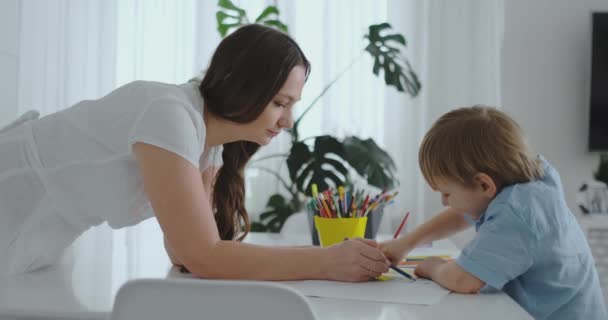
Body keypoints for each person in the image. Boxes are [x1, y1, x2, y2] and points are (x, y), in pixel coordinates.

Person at [0, 24, 390, 282]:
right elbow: (202, 256)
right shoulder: (168, 114)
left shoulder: (209, 145)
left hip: (38, 235)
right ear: (242, 84)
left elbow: (184, 254)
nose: (288, 121)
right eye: (279, 103)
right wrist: (326, 261)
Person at [381, 106, 606, 319]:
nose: (444, 202)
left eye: (447, 194)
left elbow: (463, 280)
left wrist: (433, 267)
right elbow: (461, 214)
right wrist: (406, 243)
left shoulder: (517, 213)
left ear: (484, 185)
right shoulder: (527, 186)